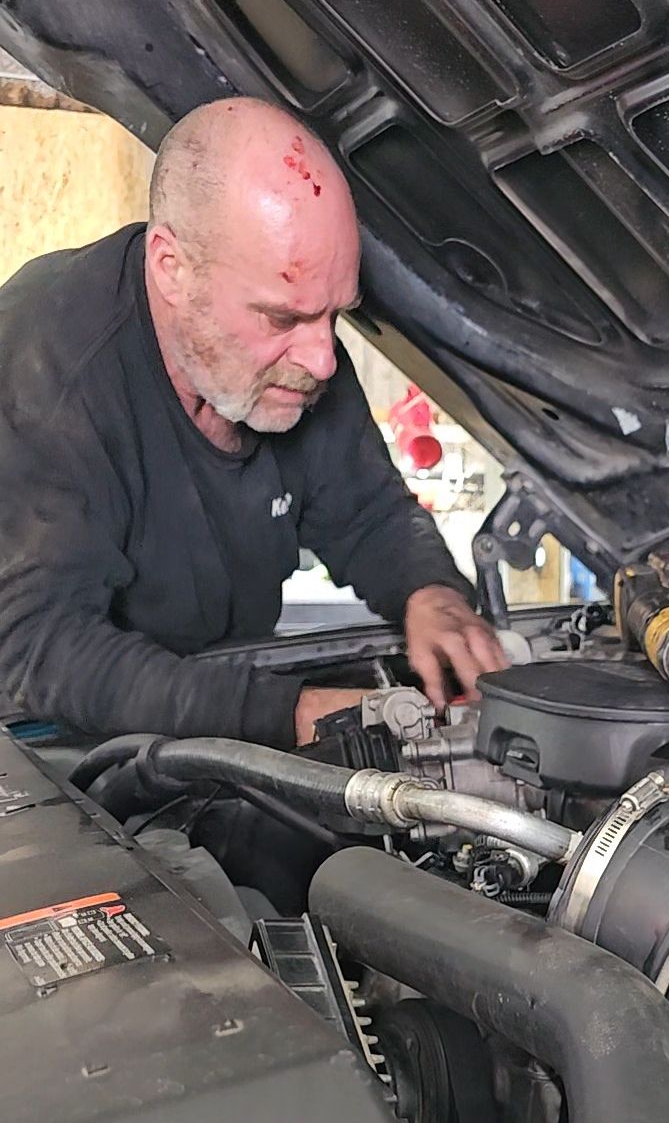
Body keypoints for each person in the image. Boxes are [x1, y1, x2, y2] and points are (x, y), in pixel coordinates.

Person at [0, 96, 505, 746]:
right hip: (43, 748)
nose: (323, 360)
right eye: (284, 318)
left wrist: (428, 591)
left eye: (336, 314)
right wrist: (295, 716)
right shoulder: (46, 369)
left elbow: (366, 512)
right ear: (172, 270)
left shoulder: (297, 351)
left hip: (208, 698)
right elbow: (38, 645)